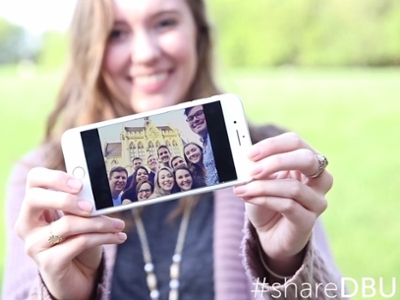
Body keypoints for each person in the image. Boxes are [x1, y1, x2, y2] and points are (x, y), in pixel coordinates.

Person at [2, 0, 343, 299]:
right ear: (88, 48)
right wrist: (63, 295)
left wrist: (284, 264)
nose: (146, 53)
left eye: (164, 22)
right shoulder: (45, 184)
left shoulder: (267, 161)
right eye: (116, 32)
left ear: (198, 32)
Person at [184, 105, 219, 185]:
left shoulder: (217, 135)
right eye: (190, 118)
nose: (195, 120)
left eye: (199, 113)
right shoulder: (205, 143)